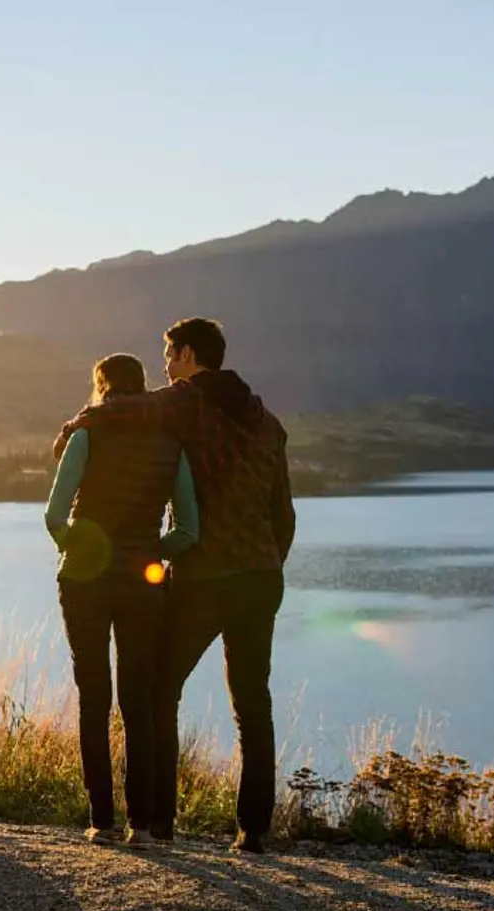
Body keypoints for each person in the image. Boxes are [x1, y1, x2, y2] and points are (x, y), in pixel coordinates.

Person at [54, 318, 295, 854]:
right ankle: (253, 830)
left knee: (160, 693)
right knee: (253, 702)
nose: (164, 364)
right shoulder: (268, 422)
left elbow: (125, 408)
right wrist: (269, 562)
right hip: (261, 577)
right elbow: (285, 514)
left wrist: (76, 425)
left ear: (188, 355)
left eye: (168, 354)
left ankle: (160, 821)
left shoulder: (184, 400)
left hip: (206, 576)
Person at [44, 354, 198, 848]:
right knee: (138, 703)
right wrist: (155, 551)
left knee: (94, 698)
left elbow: (53, 516)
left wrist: (79, 548)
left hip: (85, 583)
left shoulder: (86, 433)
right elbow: (188, 530)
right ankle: (144, 825)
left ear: (102, 388)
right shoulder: (171, 446)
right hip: (142, 582)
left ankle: (101, 822)